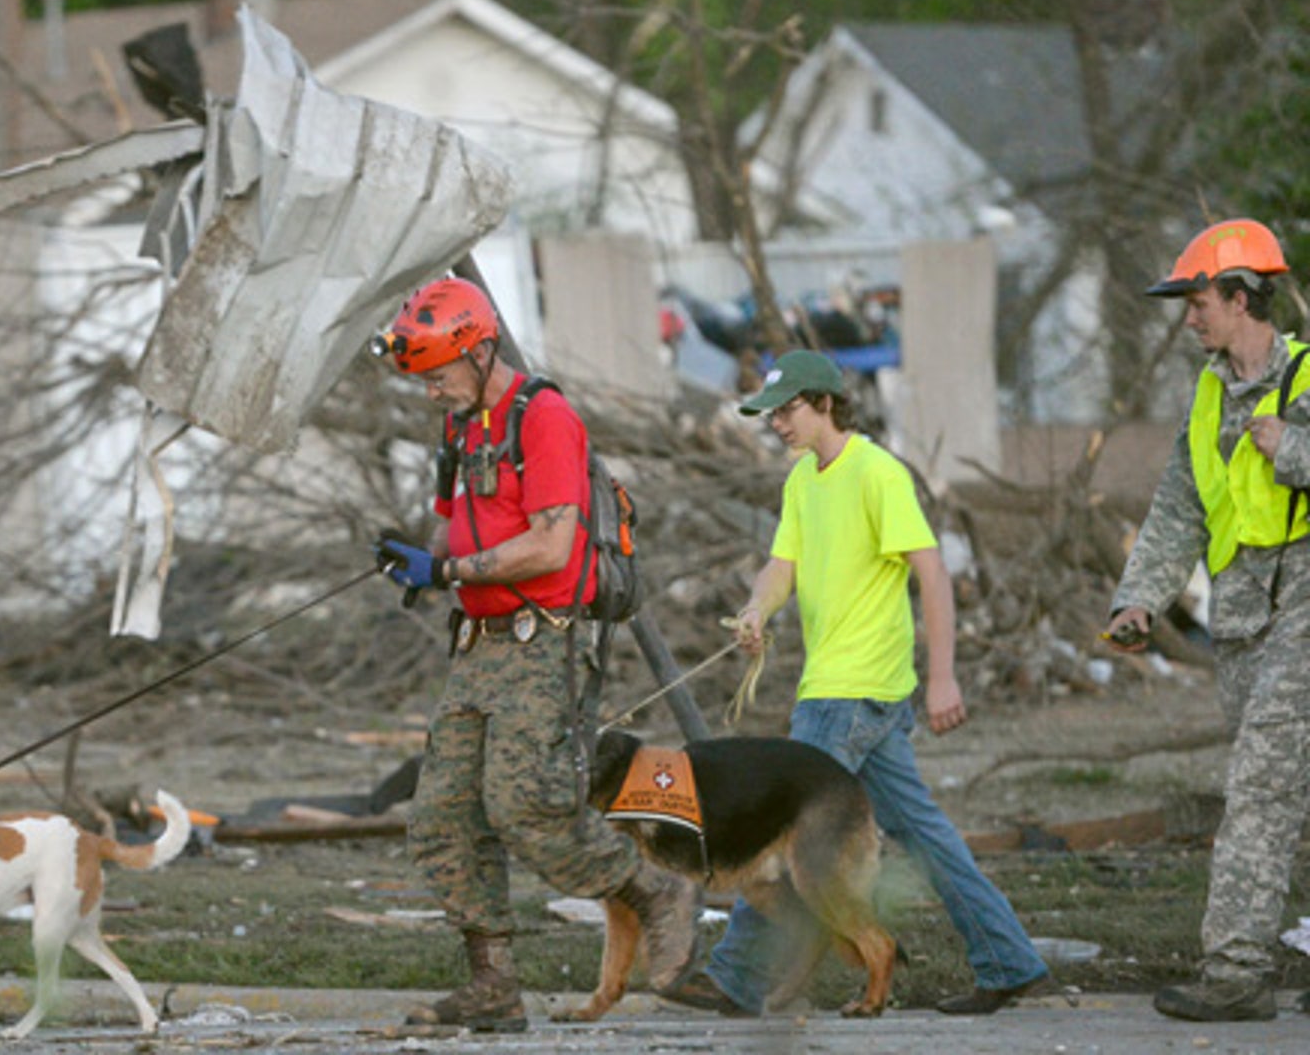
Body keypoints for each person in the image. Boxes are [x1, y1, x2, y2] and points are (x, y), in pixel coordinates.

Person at [667, 349, 1051, 1017]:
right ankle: (1008, 959)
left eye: (788, 410)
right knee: (921, 833)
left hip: (851, 693)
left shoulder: (877, 473)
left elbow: (930, 572)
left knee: (777, 827)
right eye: (771, 413)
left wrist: (941, 678)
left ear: (824, 404)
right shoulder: (801, 482)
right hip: (844, 694)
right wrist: (759, 608)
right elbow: (779, 566)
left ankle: (736, 978)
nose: (778, 424)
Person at [369, 276, 701, 1032]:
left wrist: (449, 572)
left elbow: (552, 545)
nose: (430, 391)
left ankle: (655, 890)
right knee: (443, 818)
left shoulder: (545, 419)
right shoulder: (461, 426)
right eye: (421, 378)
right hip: (477, 648)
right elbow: (454, 523)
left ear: (481, 350)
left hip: (540, 642)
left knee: (526, 808)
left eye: (440, 374)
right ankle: (493, 986)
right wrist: (416, 561)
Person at [1105, 217, 1309, 1023]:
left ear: (1241, 296)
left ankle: (1236, 971)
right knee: (1290, 789)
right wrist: (1139, 597)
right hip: (1241, 625)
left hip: (1304, 609)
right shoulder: (1208, 395)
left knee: (1259, 786)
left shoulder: (1305, 379)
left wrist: (1289, 450)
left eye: (1199, 301)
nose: (1190, 316)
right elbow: (1177, 507)